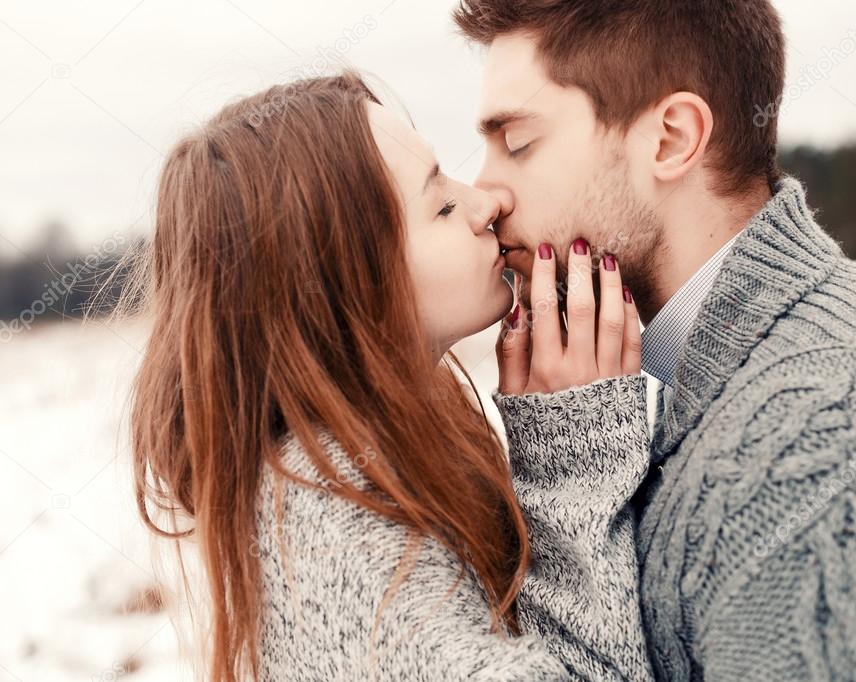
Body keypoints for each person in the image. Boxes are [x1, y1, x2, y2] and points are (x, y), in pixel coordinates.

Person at [454, 1, 856, 679]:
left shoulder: (820, 460)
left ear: (670, 139)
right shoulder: (739, 369)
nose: (484, 195)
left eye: (517, 143)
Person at [124, 71, 655, 680]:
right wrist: (574, 454)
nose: (486, 203)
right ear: (343, 284)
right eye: (442, 205)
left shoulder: (358, 464)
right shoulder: (333, 525)